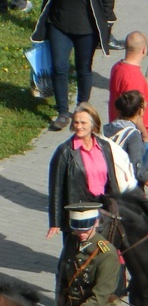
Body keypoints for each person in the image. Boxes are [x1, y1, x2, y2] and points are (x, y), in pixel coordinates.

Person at [31, 0, 115, 132]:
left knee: (83, 69)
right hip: (59, 27)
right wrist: (43, 25)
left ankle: (82, 108)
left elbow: (108, 3)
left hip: (86, 32)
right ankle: (62, 112)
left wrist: (105, 30)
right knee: (59, 67)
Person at [47, 102, 128, 238]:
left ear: (93, 124)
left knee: (102, 251)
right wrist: (55, 222)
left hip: (102, 210)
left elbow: (112, 180)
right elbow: (56, 189)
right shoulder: (65, 151)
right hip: (79, 212)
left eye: (83, 123)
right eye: (76, 122)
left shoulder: (104, 146)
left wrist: (119, 207)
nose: (79, 126)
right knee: (78, 255)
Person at [103, 90, 148, 195]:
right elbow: (138, 172)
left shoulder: (107, 128)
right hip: (123, 192)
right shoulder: (133, 135)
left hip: (105, 184)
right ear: (140, 111)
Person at [108, 31, 148, 167]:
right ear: (144, 50)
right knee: (137, 177)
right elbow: (134, 112)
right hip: (134, 135)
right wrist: (145, 135)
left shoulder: (118, 67)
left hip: (119, 129)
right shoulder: (134, 77)